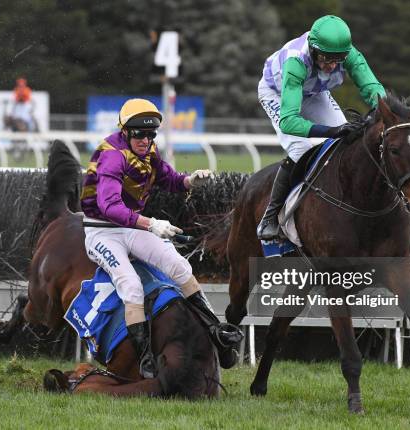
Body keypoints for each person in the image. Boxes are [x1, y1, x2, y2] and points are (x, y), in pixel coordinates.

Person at [81, 98, 243, 378]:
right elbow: (109, 206)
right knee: (131, 285)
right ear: (125, 132)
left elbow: (170, 180)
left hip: (130, 227)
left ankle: (216, 332)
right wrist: (150, 223)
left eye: (151, 134)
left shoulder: (149, 150)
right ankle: (144, 358)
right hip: (101, 231)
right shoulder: (112, 155)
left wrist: (192, 181)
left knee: (180, 267)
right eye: (139, 134)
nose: (146, 140)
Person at [256, 15, 386, 240]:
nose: (332, 65)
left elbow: (373, 88)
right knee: (301, 149)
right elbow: (289, 121)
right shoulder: (296, 62)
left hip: (313, 93)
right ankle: (269, 217)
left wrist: (385, 111)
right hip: (278, 94)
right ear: (313, 50)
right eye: (326, 59)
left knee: (346, 142)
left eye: (338, 59)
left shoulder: (349, 55)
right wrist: (330, 132)